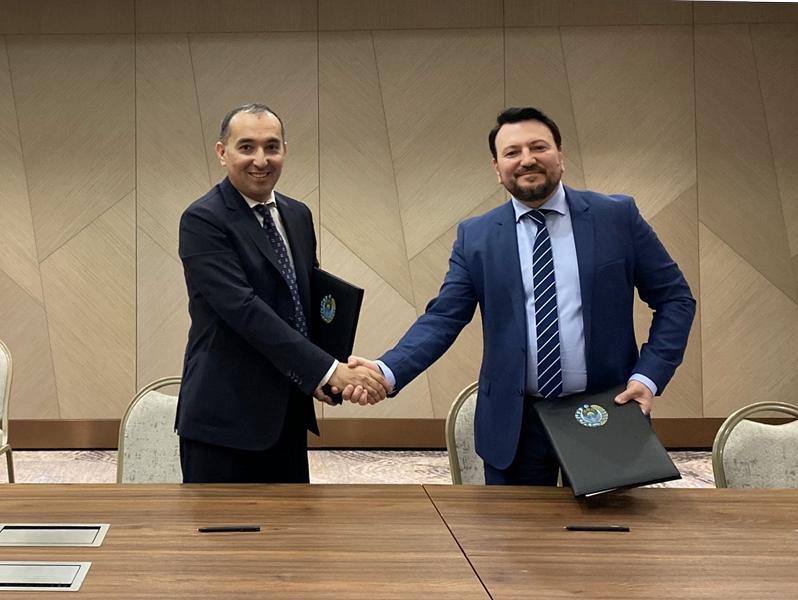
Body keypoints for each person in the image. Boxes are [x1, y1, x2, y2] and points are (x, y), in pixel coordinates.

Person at [343, 106, 696, 486]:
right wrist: (386, 371)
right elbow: (443, 318)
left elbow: (675, 299)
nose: (527, 159)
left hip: (606, 413)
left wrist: (648, 376)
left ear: (560, 155)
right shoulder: (476, 237)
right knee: (515, 528)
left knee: (614, 525)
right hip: (515, 426)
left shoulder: (616, 217)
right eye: (512, 152)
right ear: (497, 168)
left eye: (538, 147)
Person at [176, 103, 388, 483]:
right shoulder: (203, 220)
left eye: (271, 147)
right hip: (223, 423)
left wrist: (324, 374)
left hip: (287, 414)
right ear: (222, 152)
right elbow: (245, 311)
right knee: (220, 525)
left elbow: (301, 304)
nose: (261, 160)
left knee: (294, 522)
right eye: (246, 147)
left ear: (285, 151)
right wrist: (329, 370)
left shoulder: (297, 214)